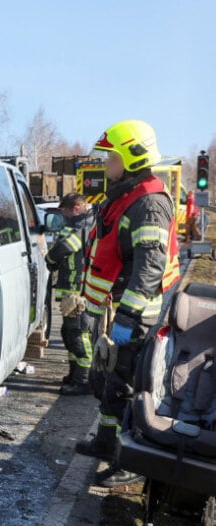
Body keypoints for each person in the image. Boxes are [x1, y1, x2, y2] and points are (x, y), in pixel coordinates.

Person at [74, 120, 181, 488]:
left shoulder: (149, 204)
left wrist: (128, 315)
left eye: (112, 157)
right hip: (116, 307)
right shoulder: (124, 195)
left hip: (137, 312)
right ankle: (107, 443)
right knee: (108, 379)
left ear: (133, 158)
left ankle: (132, 458)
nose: (106, 164)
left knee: (130, 384)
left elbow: (150, 267)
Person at [46, 193, 95, 396]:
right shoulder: (82, 224)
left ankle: (84, 381)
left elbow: (63, 248)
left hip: (78, 293)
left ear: (75, 209)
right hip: (72, 292)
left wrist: (49, 260)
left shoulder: (83, 226)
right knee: (69, 334)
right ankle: (75, 375)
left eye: (64, 212)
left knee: (78, 336)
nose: (63, 216)